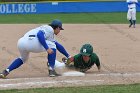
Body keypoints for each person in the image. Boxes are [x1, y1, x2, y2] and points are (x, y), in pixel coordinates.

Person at [0, 19, 71, 78]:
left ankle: (6, 71)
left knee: (23, 58)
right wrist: (47, 48)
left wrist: (68, 56)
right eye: (60, 29)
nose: (59, 31)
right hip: (33, 42)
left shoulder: (44, 28)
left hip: (21, 42)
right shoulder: (50, 29)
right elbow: (39, 35)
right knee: (52, 46)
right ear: (57, 27)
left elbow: (57, 45)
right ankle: (51, 70)